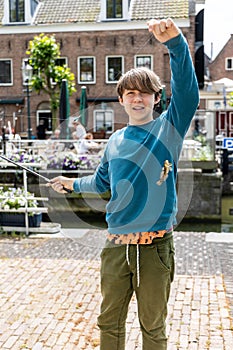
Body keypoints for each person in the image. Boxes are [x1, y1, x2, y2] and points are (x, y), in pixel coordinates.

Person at [47, 18, 199, 350]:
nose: (138, 98)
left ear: (156, 98)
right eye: (131, 93)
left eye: (145, 92)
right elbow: (102, 182)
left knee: (152, 327)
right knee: (109, 323)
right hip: (115, 246)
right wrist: (72, 184)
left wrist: (176, 45)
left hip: (155, 248)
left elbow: (188, 93)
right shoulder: (114, 141)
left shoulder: (168, 129)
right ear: (121, 100)